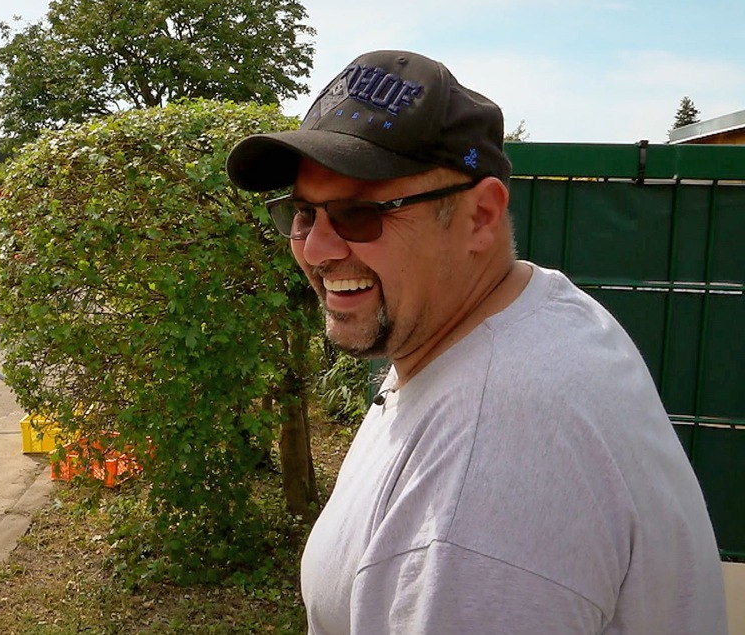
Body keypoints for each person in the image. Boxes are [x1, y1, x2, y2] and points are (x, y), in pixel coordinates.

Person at [226, 50, 727, 635]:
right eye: (303, 213)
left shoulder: (487, 469)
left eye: (359, 213)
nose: (316, 248)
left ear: (481, 216)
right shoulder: (511, 319)